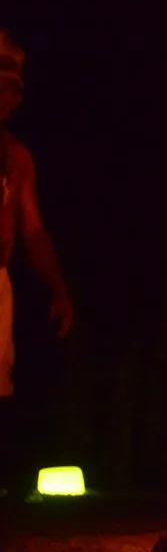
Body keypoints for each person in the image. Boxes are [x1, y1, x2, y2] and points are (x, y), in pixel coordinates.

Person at [0, 29, 74, 492]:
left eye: (14, 90)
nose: (10, 98)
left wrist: (58, 287)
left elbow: (32, 229)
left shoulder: (17, 157)